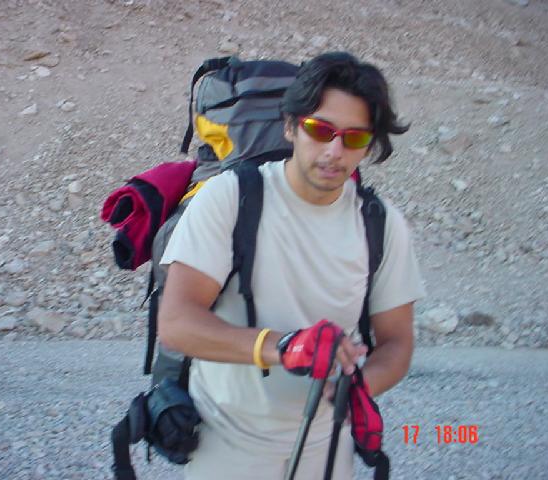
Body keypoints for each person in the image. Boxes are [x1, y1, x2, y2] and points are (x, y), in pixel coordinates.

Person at [157, 51, 425, 479]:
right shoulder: (229, 198)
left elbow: (396, 342)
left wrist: (361, 387)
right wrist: (284, 347)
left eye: (354, 138)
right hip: (226, 445)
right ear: (290, 126)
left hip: (328, 447)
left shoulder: (381, 222)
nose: (334, 151)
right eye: (320, 130)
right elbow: (176, 323)